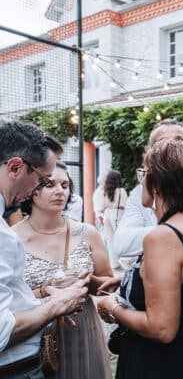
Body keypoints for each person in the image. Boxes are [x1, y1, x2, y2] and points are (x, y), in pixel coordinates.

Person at [97, 138, 183, 379]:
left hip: (156, 364)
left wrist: (113, 307)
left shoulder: (162, 237)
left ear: (156, 182)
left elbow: (161, 328)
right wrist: (130, 281)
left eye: (144, 174)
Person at [0, 120, 87, 379]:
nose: (37, 190)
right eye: (42, 180)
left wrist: (41, 301)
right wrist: (55, 306)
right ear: (15, 167)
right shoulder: (5, 235)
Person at [14, 161, 113, 379]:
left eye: (65, 185)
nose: (59, 191)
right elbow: (9, 298)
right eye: (49, 184)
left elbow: (107, 286)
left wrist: (86, 282)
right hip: (34, 333)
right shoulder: (13, 238)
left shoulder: (87, 233)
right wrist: (45, 290)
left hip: (81, 329)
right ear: (31, 189)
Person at [112, 119, 183, 260]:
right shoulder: (139, 192)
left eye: (178, 142)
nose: (171, 149)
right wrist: (182, 231)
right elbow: (122, 244)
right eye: (162, 144)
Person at [100, 170, 128, 269]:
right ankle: (125, 262)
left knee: (110, 240)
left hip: (107, 214)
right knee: (122, 238)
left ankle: (114, 264)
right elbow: (125, 205)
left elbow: (101, 207)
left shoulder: (105, 191)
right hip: (118, 213)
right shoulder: (121, 191)